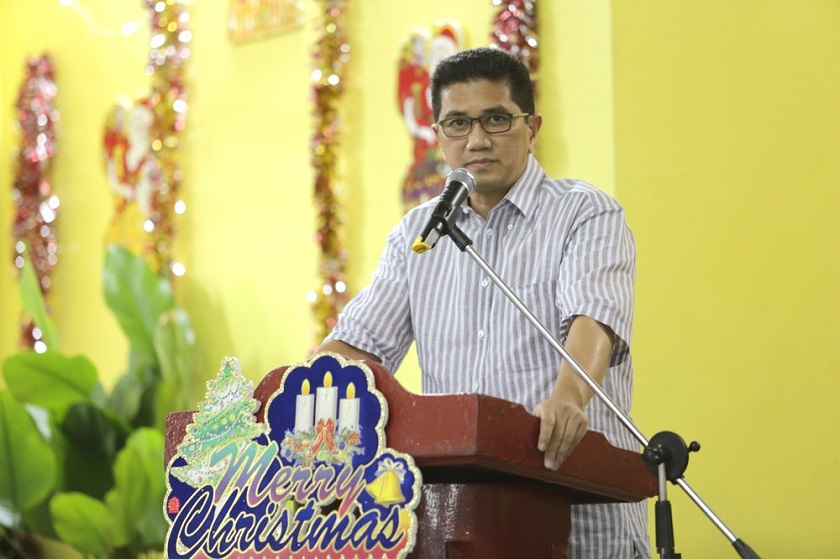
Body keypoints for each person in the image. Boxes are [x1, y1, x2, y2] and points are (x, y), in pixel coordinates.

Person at [315, 46, 650, 558]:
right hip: (463, 522)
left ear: (532, 126)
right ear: (438, 134)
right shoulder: (419, 234)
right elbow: (355, 347)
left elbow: (593, 319)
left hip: (578, 514)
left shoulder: (584, 214)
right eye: (457, 124)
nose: (476, 140)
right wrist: (303, 392)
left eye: (496, 119)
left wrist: (568, 397)